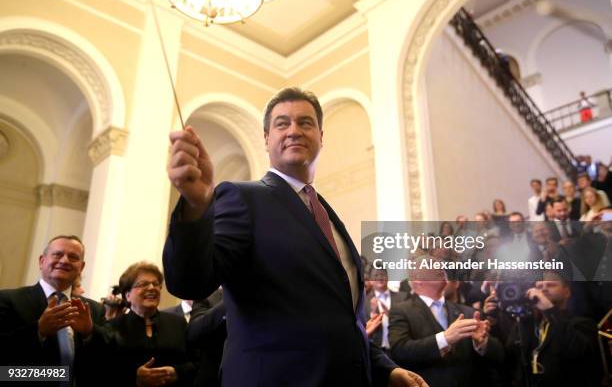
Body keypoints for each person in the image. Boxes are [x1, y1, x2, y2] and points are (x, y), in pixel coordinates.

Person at [164, 87, 426, 387]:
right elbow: (190, 282)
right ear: (266, 139)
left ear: (321, 136)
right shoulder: (242, 196)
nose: (294, 130)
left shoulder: (327, 215)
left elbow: (341, 321)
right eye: (282, 123)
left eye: (305, 122)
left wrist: (386, 369)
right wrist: (197, 207)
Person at [0, 235, 105, 385]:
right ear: (42, 261)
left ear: (81, 267)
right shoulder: (8, 300)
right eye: (57, 254)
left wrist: (90, 333)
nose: (64, 260)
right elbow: (5, 372)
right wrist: (38, 331)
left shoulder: (94, 310)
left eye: (73, 257)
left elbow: (105, 363)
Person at [388, 257, 503, 387]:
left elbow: (500, 355)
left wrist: (482, 343)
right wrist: (444, 339)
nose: (440, 266)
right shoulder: (401, 310)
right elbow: (400, 352)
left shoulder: (469, 312)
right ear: (417, 279)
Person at [97, 261, 197, 386]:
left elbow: (196, 362)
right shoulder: (112, 327)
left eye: (156, 284)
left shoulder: (178, 323)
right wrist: (134, 377)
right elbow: (100, 371)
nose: (152, 288)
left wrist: (177, 372)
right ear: (127, 295)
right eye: (143, 284)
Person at [501, 272, 601, 387]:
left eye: (551, 285)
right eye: (539, 287)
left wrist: (550, 310)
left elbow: (577, 352)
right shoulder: (527, 324)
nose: (543, 290)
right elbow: (510, 357)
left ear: (567, 292)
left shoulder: (583, 323)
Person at [366, 268, 409, 351]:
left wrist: (390, 314)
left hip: (399, 348)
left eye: (382, 274)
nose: (380, 278)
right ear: (370, 281)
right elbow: (363, 330)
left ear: (388, 277)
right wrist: (373, 313)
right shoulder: (364, 302)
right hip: (376, 350)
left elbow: (409, 323)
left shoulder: (403, 297)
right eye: (376, 275)